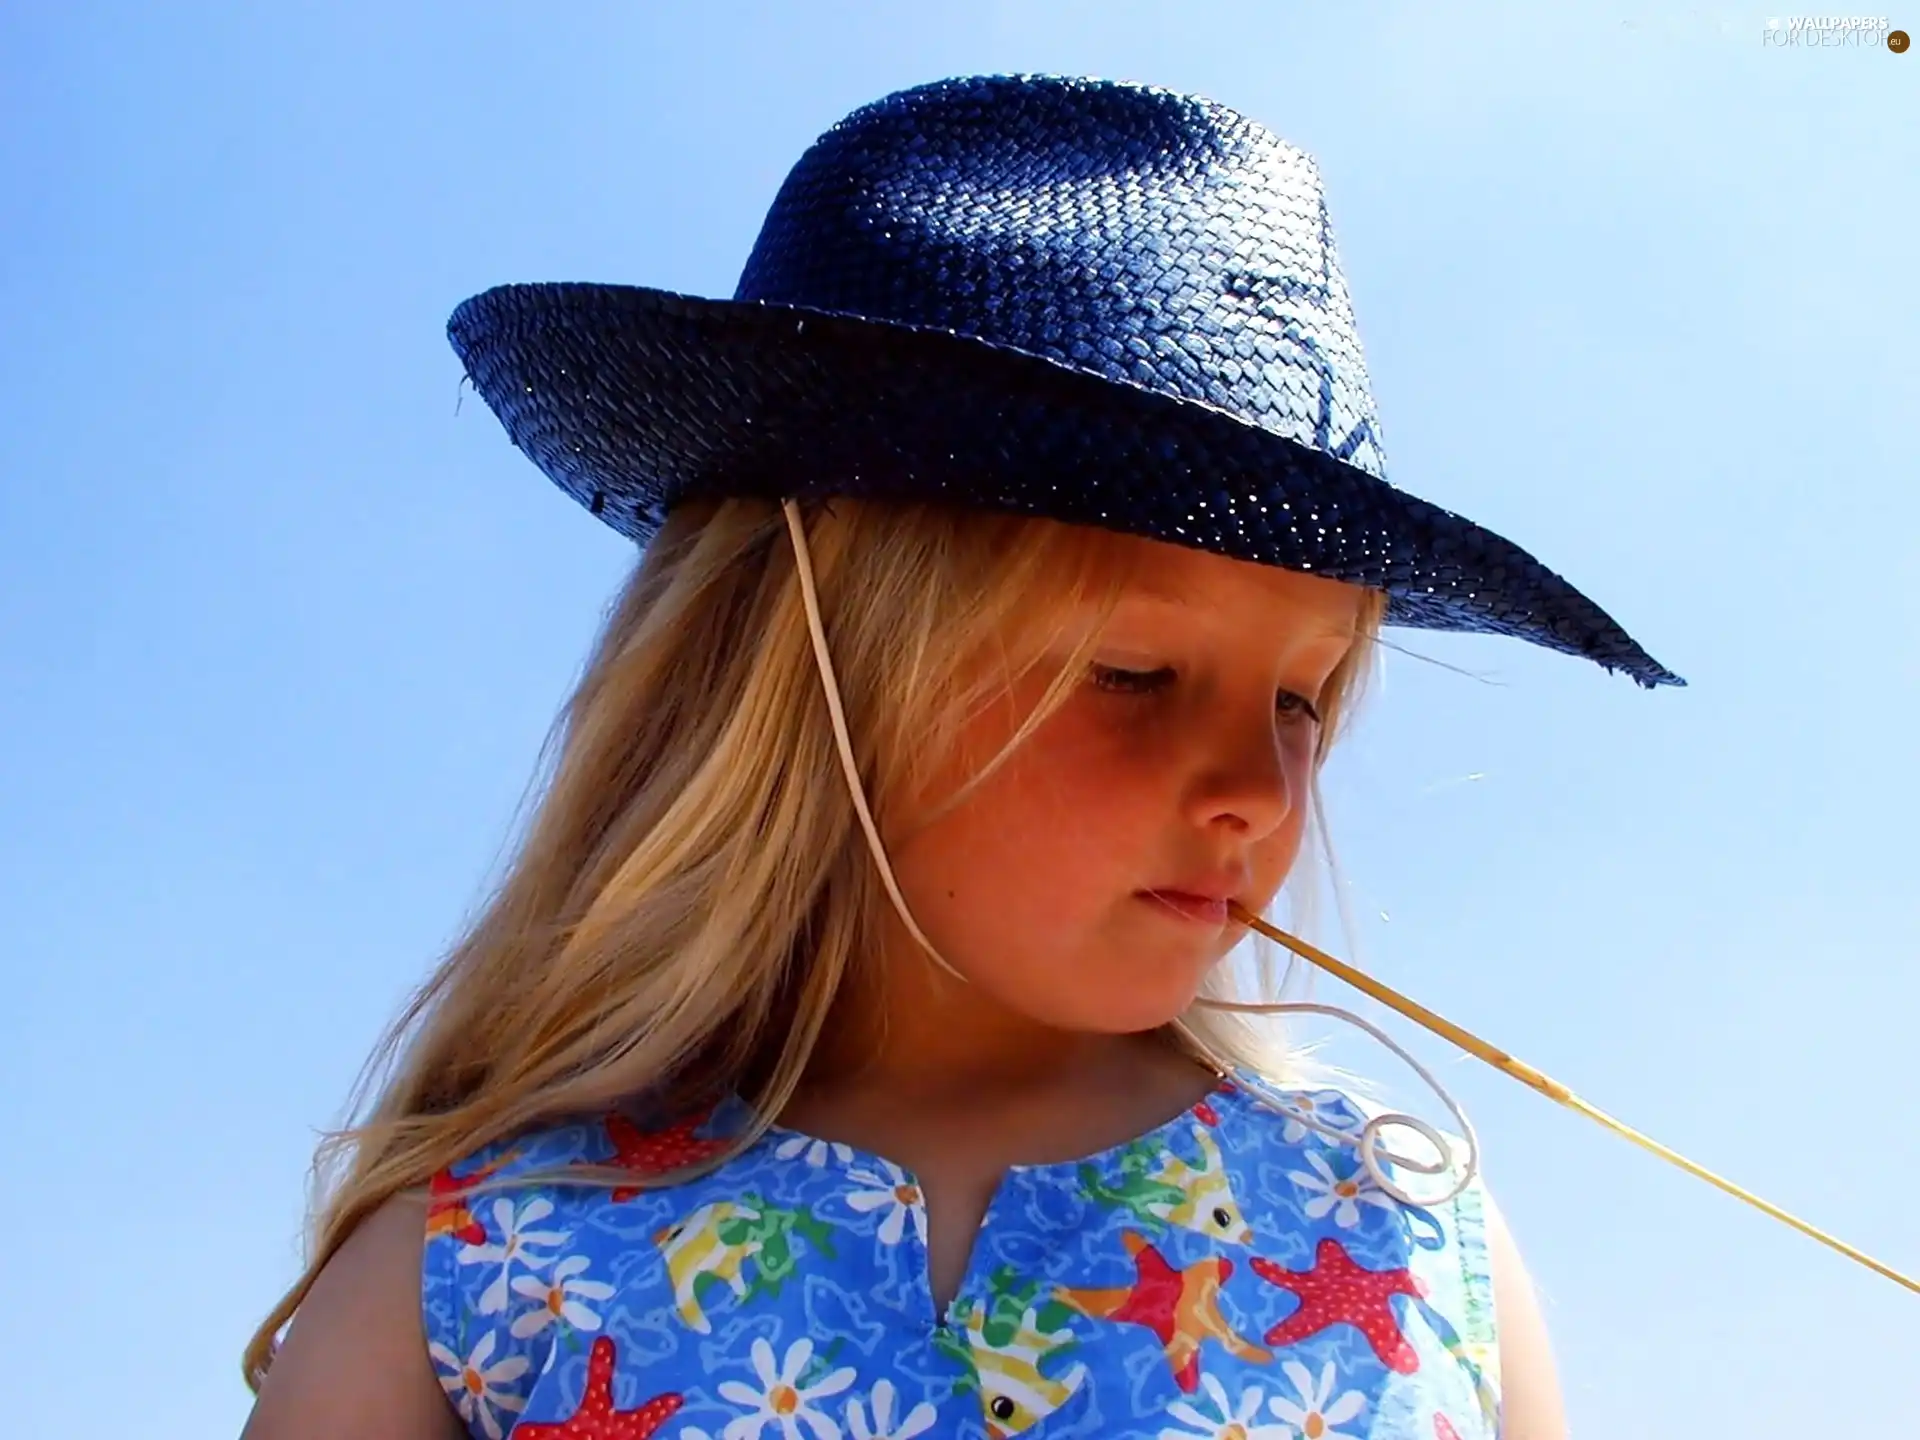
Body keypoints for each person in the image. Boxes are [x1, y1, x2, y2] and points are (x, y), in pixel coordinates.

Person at [240, 74, 1678, 1440]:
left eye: (1302, 703)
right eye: (1133, 674)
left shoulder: (1406, 1224)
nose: (1256, 788)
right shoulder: (479, 1260)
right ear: (808, 673)